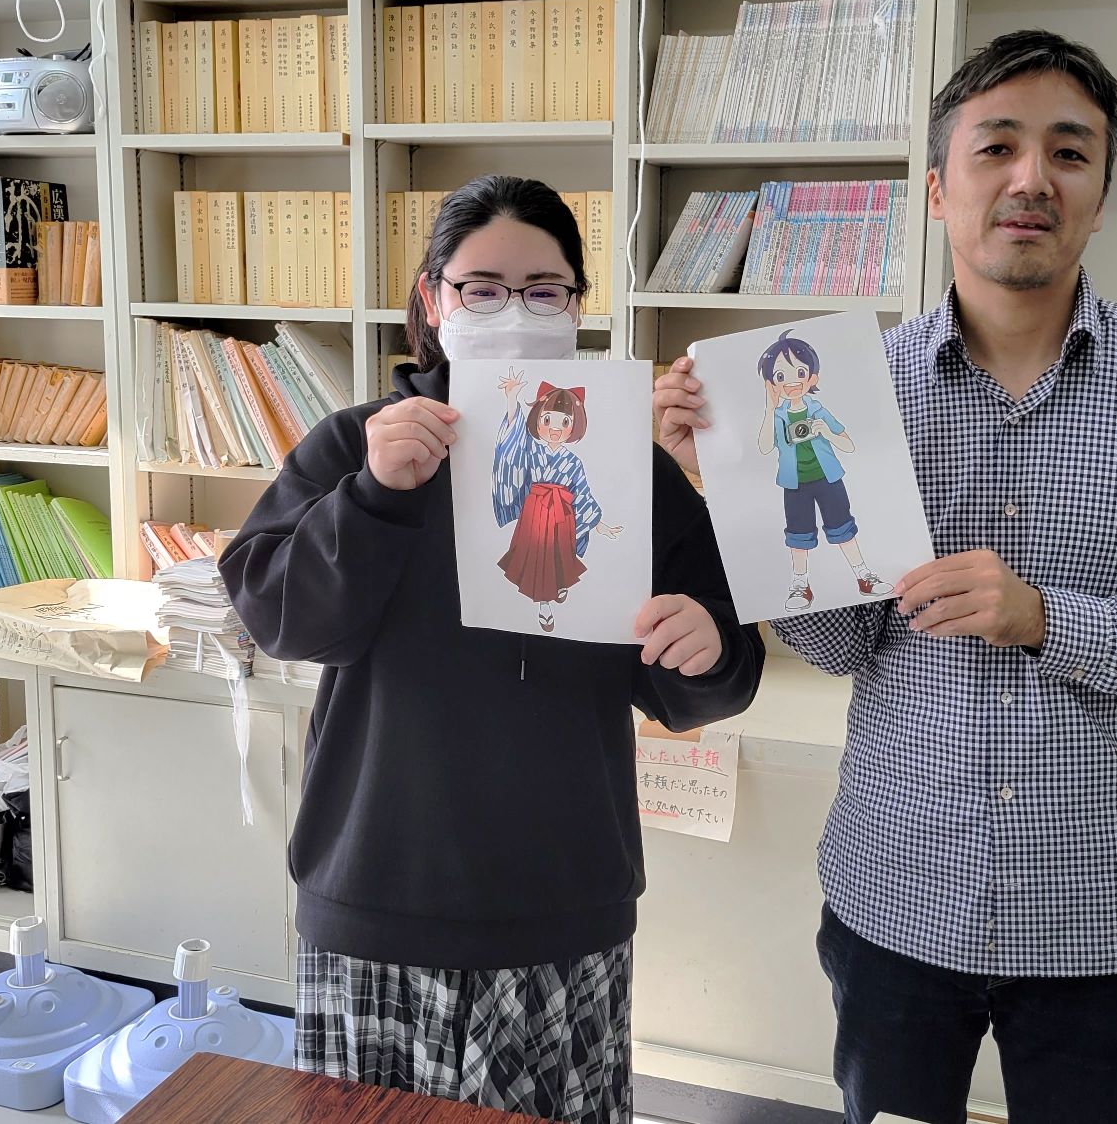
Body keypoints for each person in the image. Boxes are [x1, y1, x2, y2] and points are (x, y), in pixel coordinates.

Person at [654, 30, 1117, 1124]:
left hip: (1098, 910)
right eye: (996, 147)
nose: (1032, 178)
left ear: (1100, 196)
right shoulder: (852, 388)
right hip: (897, 891)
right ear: (939, 189)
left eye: (1069, 153)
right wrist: (735, 497)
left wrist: (1045, 618)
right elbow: (844, 647)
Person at [221, 174, 764, 1124]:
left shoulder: (626, 467)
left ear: (577, 306)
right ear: (434, 300)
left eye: (544, 290)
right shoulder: (354, 445)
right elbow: (279, 618)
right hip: (377, 896)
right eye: (481, 288)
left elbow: (709, 683)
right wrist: (374, 496)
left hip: (563, 906)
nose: (514, 311)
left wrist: (708, 646)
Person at [755, 329, 891, 612]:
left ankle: (863, 575)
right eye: (780, 376)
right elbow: (765, 447)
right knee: (798, 535)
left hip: (828, 478)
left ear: (812, 378)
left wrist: (826, 432)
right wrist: (770, 409)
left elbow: (848, 444)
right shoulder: (778, 416)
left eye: (799, 373)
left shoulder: (817, 409)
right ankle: (800, 584)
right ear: (772, 384)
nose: (792, 382)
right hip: (794, 483)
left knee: (843, 527)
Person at [492, 372, 621, 632]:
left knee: (560, 555)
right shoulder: (532, 450)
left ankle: (559, 584)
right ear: (537, 420)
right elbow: (513, 445)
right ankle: (544, 605)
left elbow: (582, 493)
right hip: (536, 515)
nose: (554, 428)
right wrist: (512, 398)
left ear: (574, 426)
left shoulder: (573, 462)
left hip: (563, 516)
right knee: (539, 559)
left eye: (564, 422)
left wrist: (599, 524)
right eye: (547, 419)